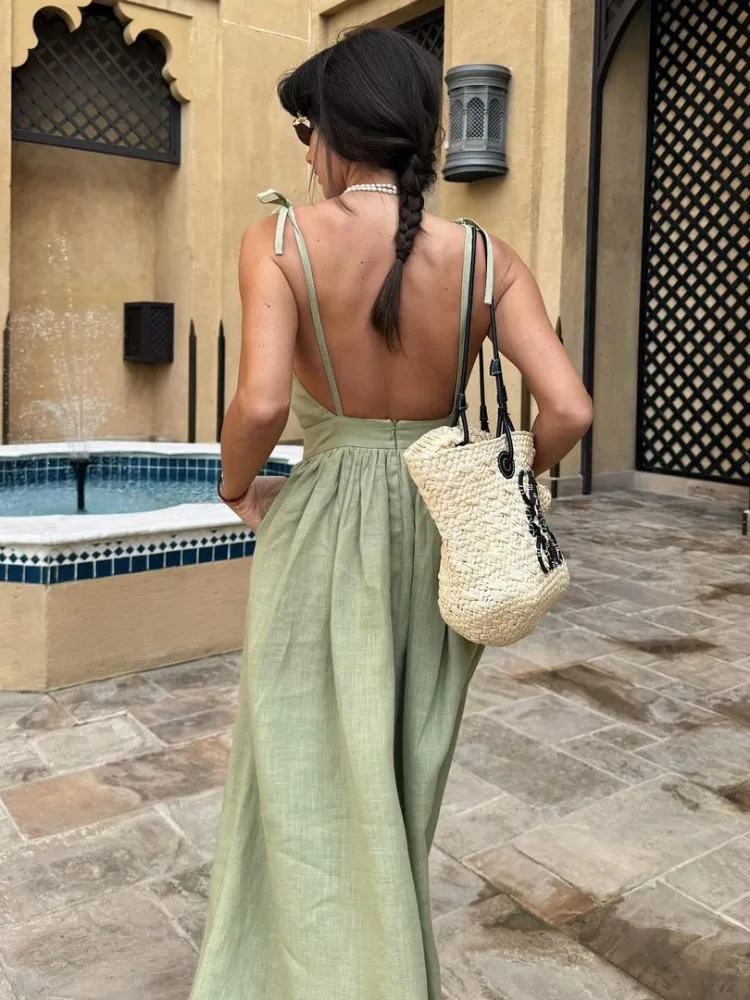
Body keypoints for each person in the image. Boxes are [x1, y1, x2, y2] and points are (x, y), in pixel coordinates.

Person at [189, 25, 592, 1000]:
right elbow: (570, 409)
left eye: (307, 129)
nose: (305, 151)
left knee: (297, 764)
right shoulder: (486, 256)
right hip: (436, 527)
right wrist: (499, 484)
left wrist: (235, 486)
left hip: (323, 519)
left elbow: (259, 405)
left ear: (336, 130)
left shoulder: (280, 239)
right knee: (400, 775)